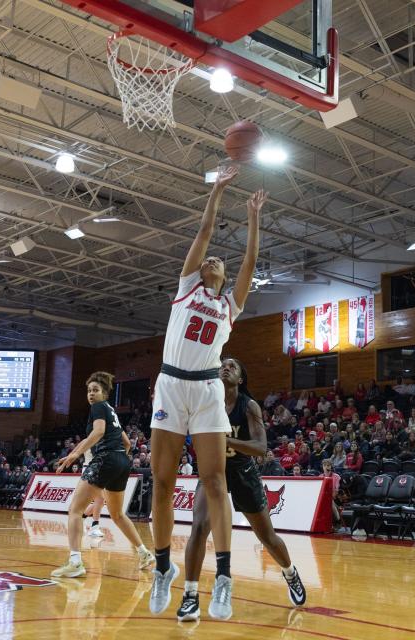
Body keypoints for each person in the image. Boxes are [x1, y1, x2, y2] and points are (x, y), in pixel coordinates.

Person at [146, 167, 264, 618]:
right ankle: (162, 568)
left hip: (207, 390)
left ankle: (225, 578)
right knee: (161, 481)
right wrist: (216, 192)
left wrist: (252, 218)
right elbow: (204, 230)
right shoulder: (185, 289)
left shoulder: (228, 306)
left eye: (219, 261)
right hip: (172, 385)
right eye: (208, 260)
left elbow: (250, 262)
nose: (212, 260)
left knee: (215, 482)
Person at [178, 358, 306, 621]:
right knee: (199, 528)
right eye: (223, 364)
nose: (226, 367)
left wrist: (226, 439)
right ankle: (190, 594)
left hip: (243, 472)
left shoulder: (249, 406)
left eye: (233, 366)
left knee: (267, 537)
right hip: (213, 471)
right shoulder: (207, 403)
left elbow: (260, 448)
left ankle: (290, 572)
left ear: (241, 380)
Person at [52, 371, 154, 578]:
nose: (91, 394)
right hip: (122, 462)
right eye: (89, 390)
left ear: (105, 393)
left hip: (106, 460)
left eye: (96, 390)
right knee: (117, 514)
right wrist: (75, 454)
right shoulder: (111, 411)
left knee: (75, 510)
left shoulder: (98, 408)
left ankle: (75, 562)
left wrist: (78, 453)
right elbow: (126, 443)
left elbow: (97, 432)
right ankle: (144, 553)